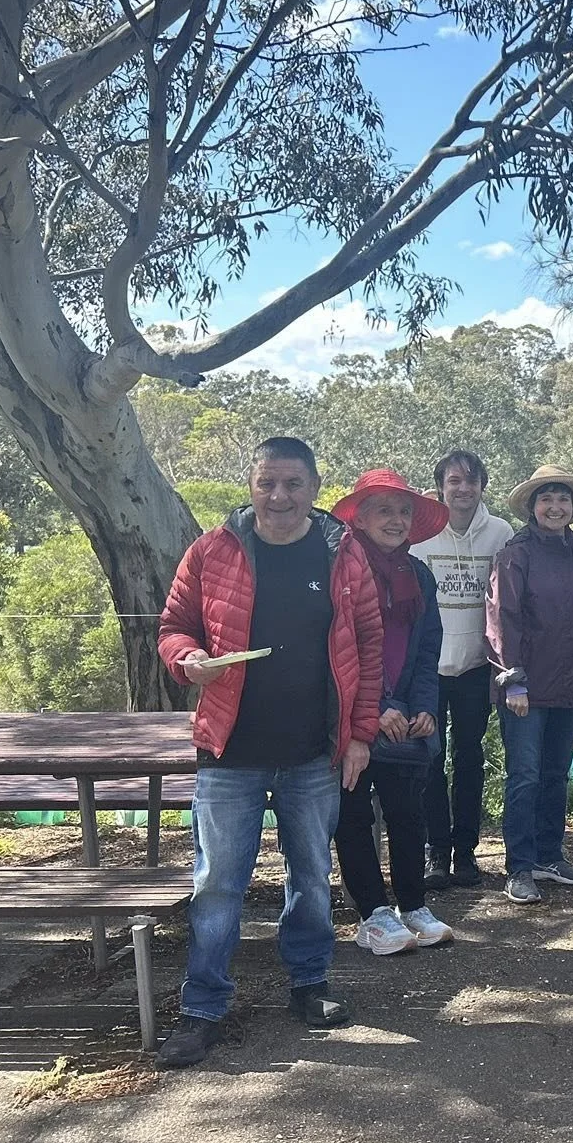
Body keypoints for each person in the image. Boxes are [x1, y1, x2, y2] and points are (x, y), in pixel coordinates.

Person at [154, 437, 382, 1069]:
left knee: (310, 876)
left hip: (313, 751)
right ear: (250, 484)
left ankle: (309, 986)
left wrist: (359, 733)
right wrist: (187, 659)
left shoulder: (342, 553)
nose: (279, 496)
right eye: (267, 483)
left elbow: (367, 643)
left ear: (313, 487)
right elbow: (174, 627)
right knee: (218, 884)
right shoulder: (213, 551)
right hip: (231, 751)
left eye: (292, 484)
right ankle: (202, 1008)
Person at [329, 469, 452, 955]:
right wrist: (373, 709)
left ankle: (413, 904)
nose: (396, 520)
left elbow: (427, 647)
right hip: (353, 715)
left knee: (408, 813)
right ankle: (372, 914)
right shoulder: (340, 567)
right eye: (384, 509)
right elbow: (337, 648)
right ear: (359, 516)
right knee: (354, 817)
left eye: (404, 511)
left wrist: (424, 705)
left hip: (404, 713)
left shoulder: (417, 574)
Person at [490, 466, 573, 904]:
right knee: (525, 775)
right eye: (546, 499)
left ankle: (548, 854)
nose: (555, 507)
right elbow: (502, 619)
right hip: (525, 687)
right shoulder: (514, 554)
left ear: (572, 508)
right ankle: (519, 866)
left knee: (556, 774)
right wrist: (512, 681)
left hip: (572, 681)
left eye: (563, 499)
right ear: (533, 506)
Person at [411, 449, 514, 890]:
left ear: (482, 487)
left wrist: (500, 664)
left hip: (476, 666)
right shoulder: (421, 536)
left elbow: (505, 602)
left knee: (470, 759)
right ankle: (437, 850)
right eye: (454, 481)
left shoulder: (500, 533)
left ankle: (466, 851)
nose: (463, 489)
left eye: (471, 481)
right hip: (429, 669)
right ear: (440, 488)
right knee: (430, 759)